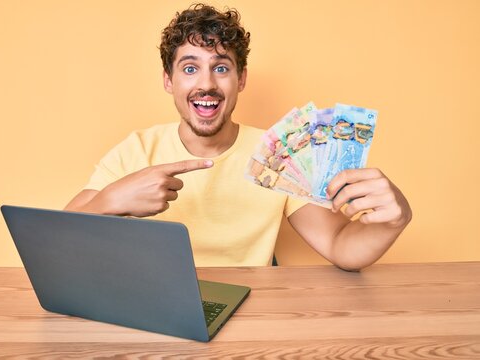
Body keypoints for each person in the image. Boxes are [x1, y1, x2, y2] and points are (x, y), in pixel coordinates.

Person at [65, 4, 412, 270]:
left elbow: (340, 245)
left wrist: (395, 219)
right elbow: (61, 237)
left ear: (241, 79)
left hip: (251, 311)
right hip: (156, 307)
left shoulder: (279, 155)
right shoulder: (137, 149)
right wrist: (113, 199)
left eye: (221, 68)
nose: (206, 84)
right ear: (168, 80)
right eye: (189, 68)